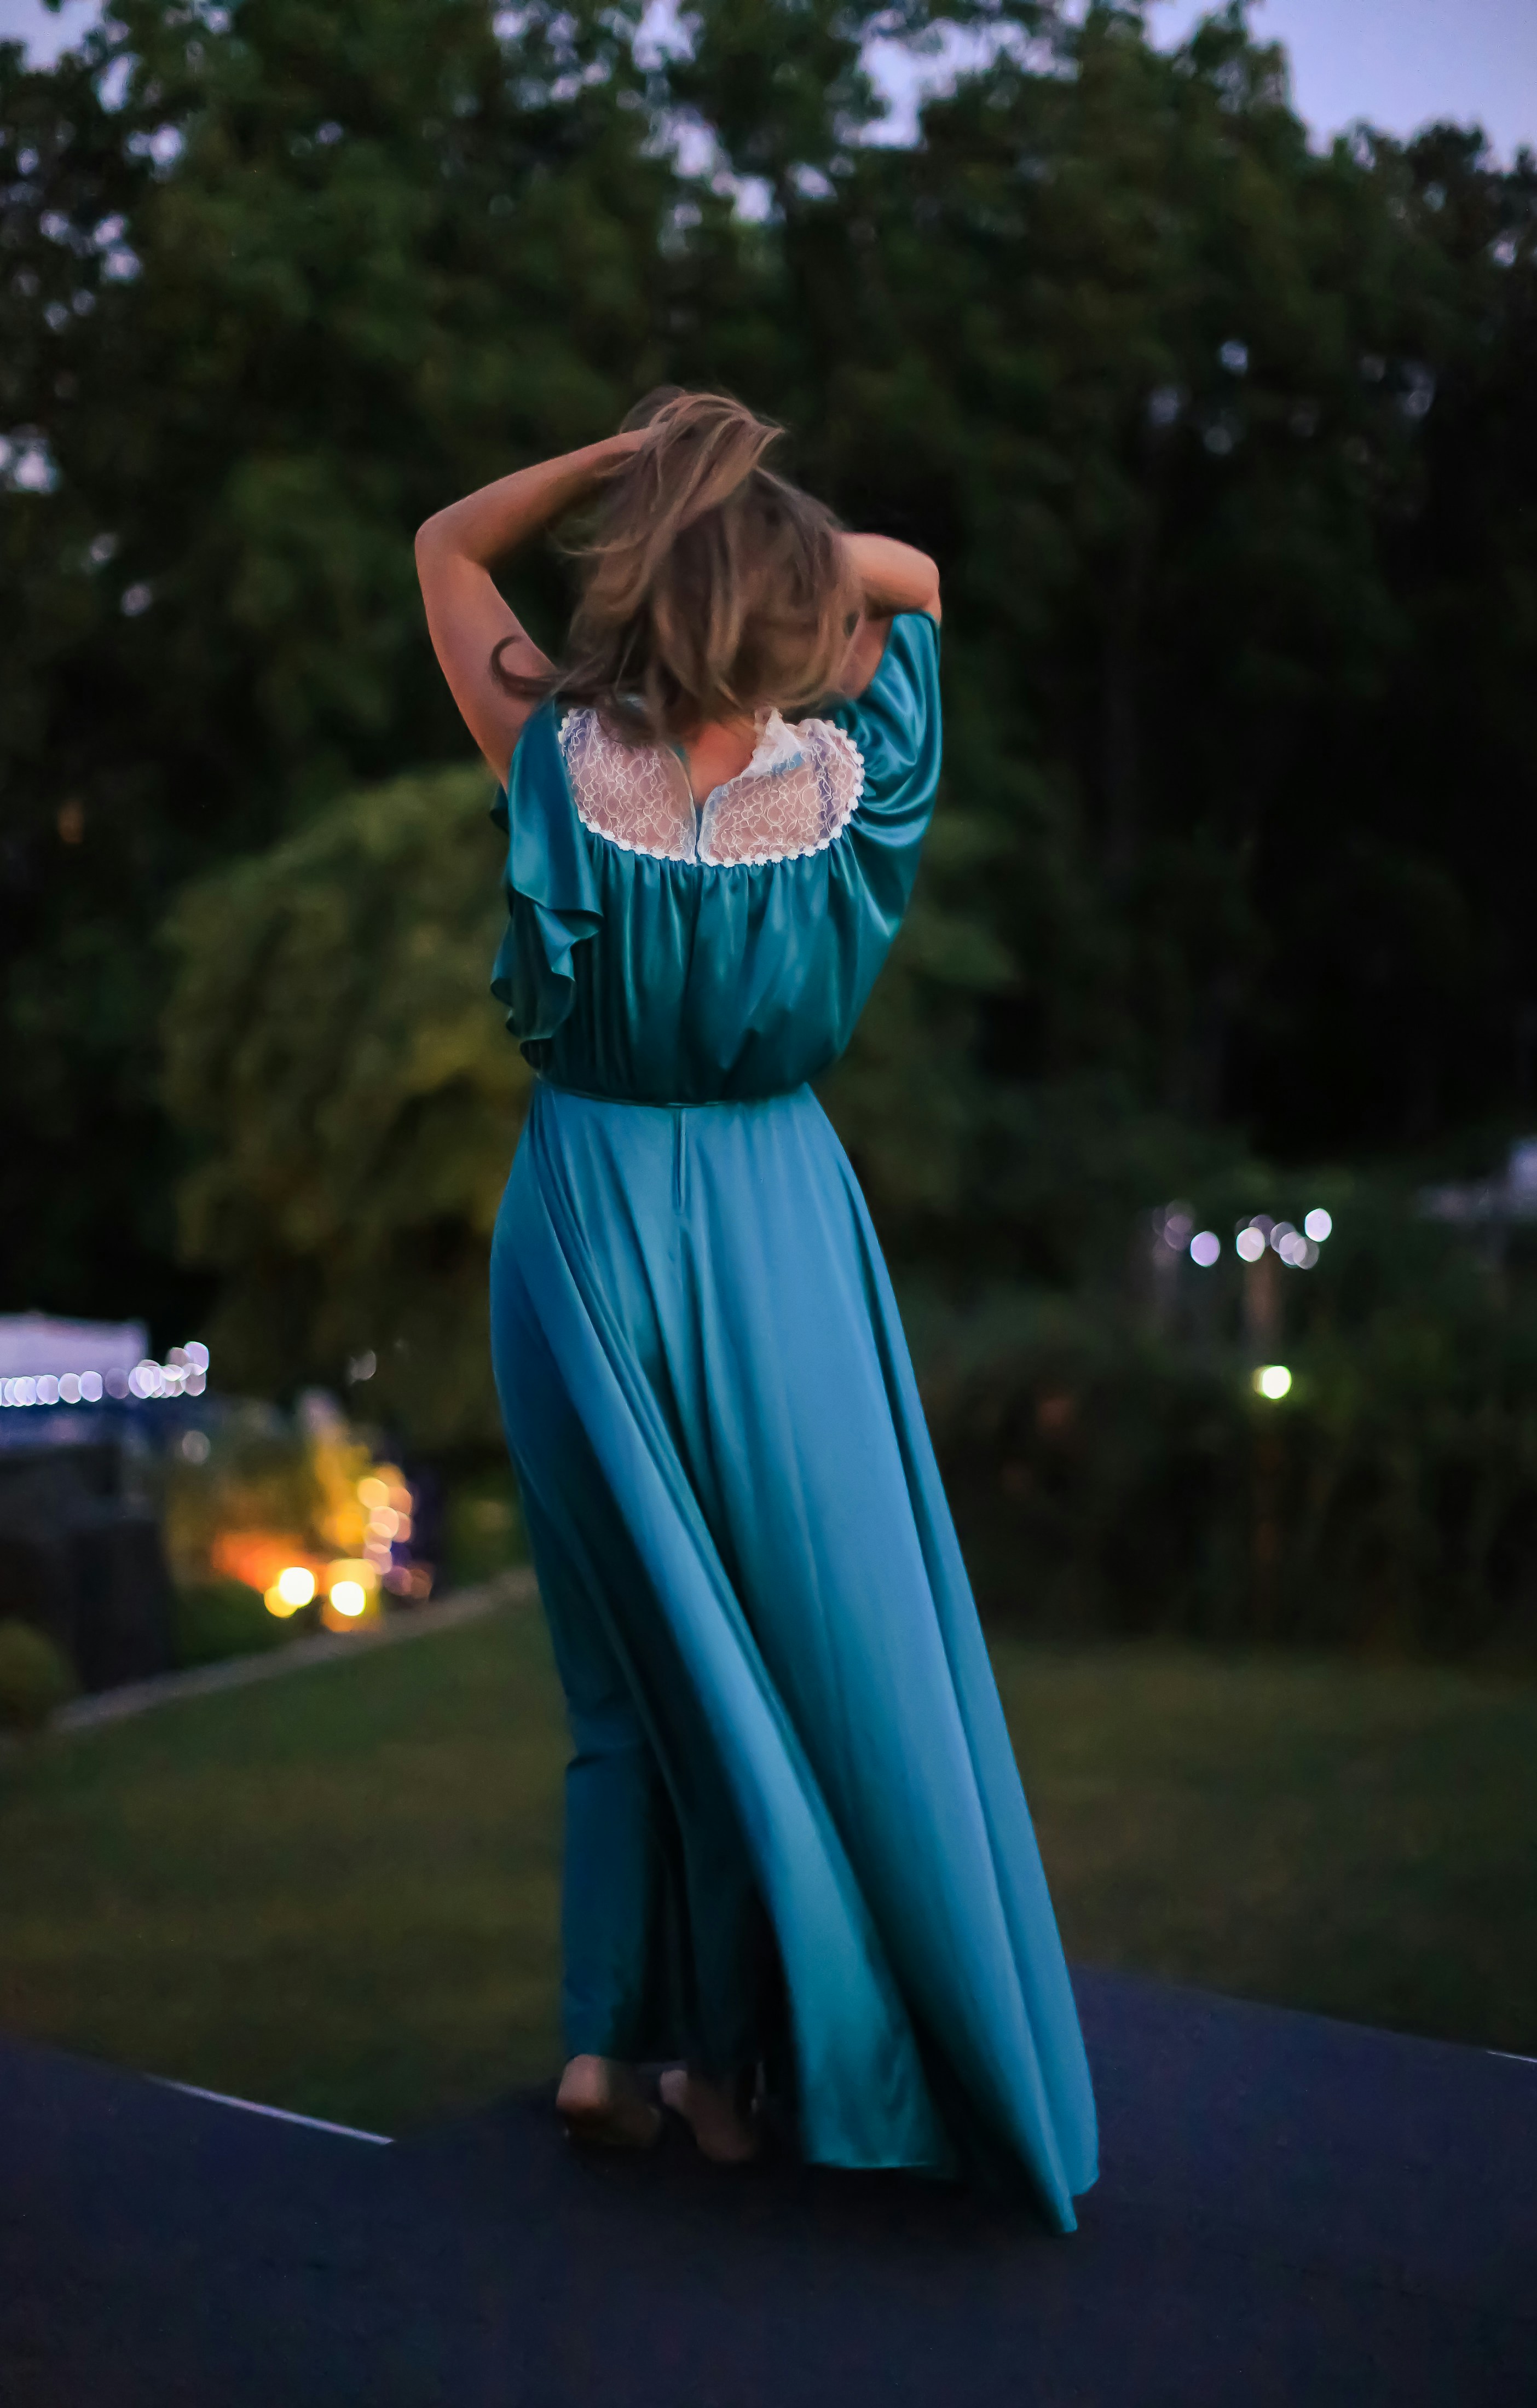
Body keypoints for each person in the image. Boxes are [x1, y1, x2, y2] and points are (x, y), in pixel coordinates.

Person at [414, 391, 1098, 2228]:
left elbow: (445, 550)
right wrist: (749, 526)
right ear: (794, 615)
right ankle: (728, 2066)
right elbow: (919, 577)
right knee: (800, 1656)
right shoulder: (856, 783)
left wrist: (631, 467)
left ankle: (602, 2040)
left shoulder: (557, 762)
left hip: (586, 1220)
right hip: (782, 1225)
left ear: (648, 597)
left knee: (625, 1661)